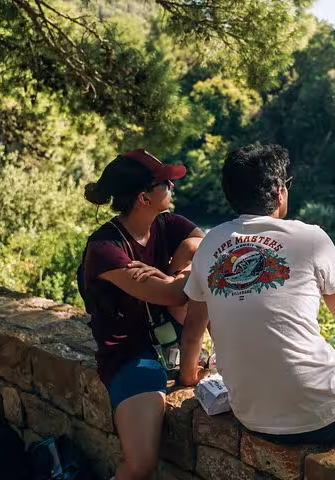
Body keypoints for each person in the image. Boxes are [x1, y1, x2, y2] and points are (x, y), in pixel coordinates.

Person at [179, 143, 335, 445]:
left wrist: (190, 378)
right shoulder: (310, 238)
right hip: (323, 416)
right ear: (280, 191)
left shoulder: (209, 245)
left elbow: (193, 330)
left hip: (251, 416)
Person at [80, 149, 205, 480]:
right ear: (143, 197)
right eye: (166, 183)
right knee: (141, 465)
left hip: (175, 342)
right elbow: (175, 294)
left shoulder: (166, 223)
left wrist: (174, 271)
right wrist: (177, 281)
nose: (172, 188)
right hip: (133, 355)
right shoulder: (105, 249)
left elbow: (203, 246)